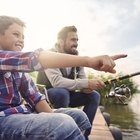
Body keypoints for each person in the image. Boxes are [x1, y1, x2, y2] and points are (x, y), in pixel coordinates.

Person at [0, 16, 127, 140]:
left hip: (22, 113)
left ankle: (82, 136)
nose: (21, 40)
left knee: (79, 115)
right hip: (5, 119)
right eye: (16, 34)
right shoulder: (42, 57)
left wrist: (89, 86)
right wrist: (89, 61)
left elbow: (35, 98)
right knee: (63, 119)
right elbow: (35, 59)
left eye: (23, 37)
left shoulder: (21, 72)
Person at [36, 25, 126, 139]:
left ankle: (84, 134)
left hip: (68, 94)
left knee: (94, 96)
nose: (76, 43)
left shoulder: (76, 57)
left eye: (77, 40)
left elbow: (83, 82)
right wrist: (86, 83)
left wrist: (90, 86)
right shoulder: (49, 55)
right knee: (61, 93)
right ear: (61, 41)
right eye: (73, 39)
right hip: (48, 95)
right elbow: (57, 82)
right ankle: (61, 133)